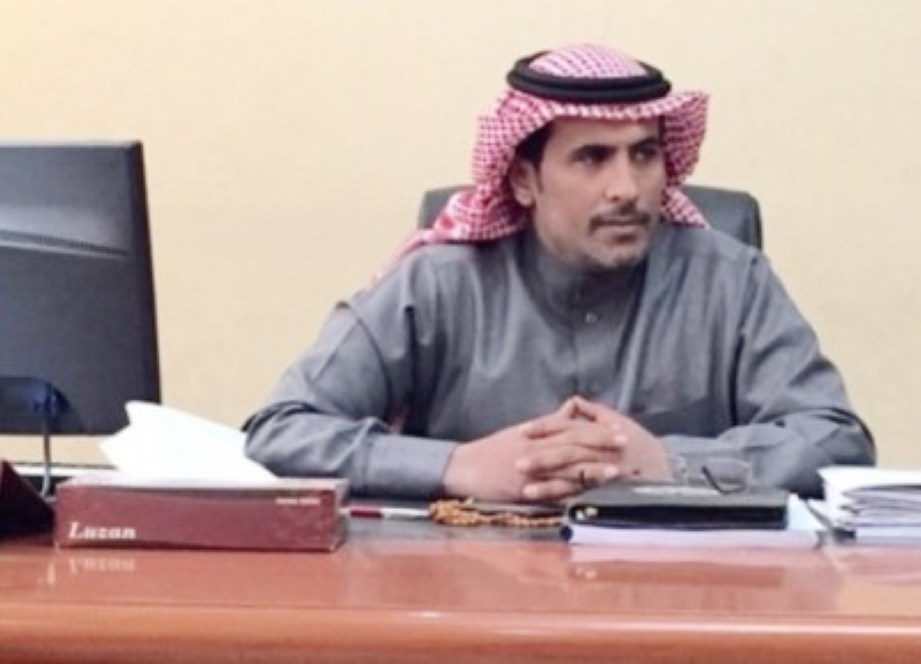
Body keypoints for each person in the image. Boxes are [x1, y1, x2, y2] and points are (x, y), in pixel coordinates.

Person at [244, 43, 875, 502]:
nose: (626, 188)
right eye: (592, 159)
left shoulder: (731, 283)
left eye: (644, 155)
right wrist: (455, 466)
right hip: (473, 602)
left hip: (674, 606)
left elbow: (835, 440)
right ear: (524, 179)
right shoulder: (440, 283)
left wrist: (669, 463)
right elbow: (281, 429)